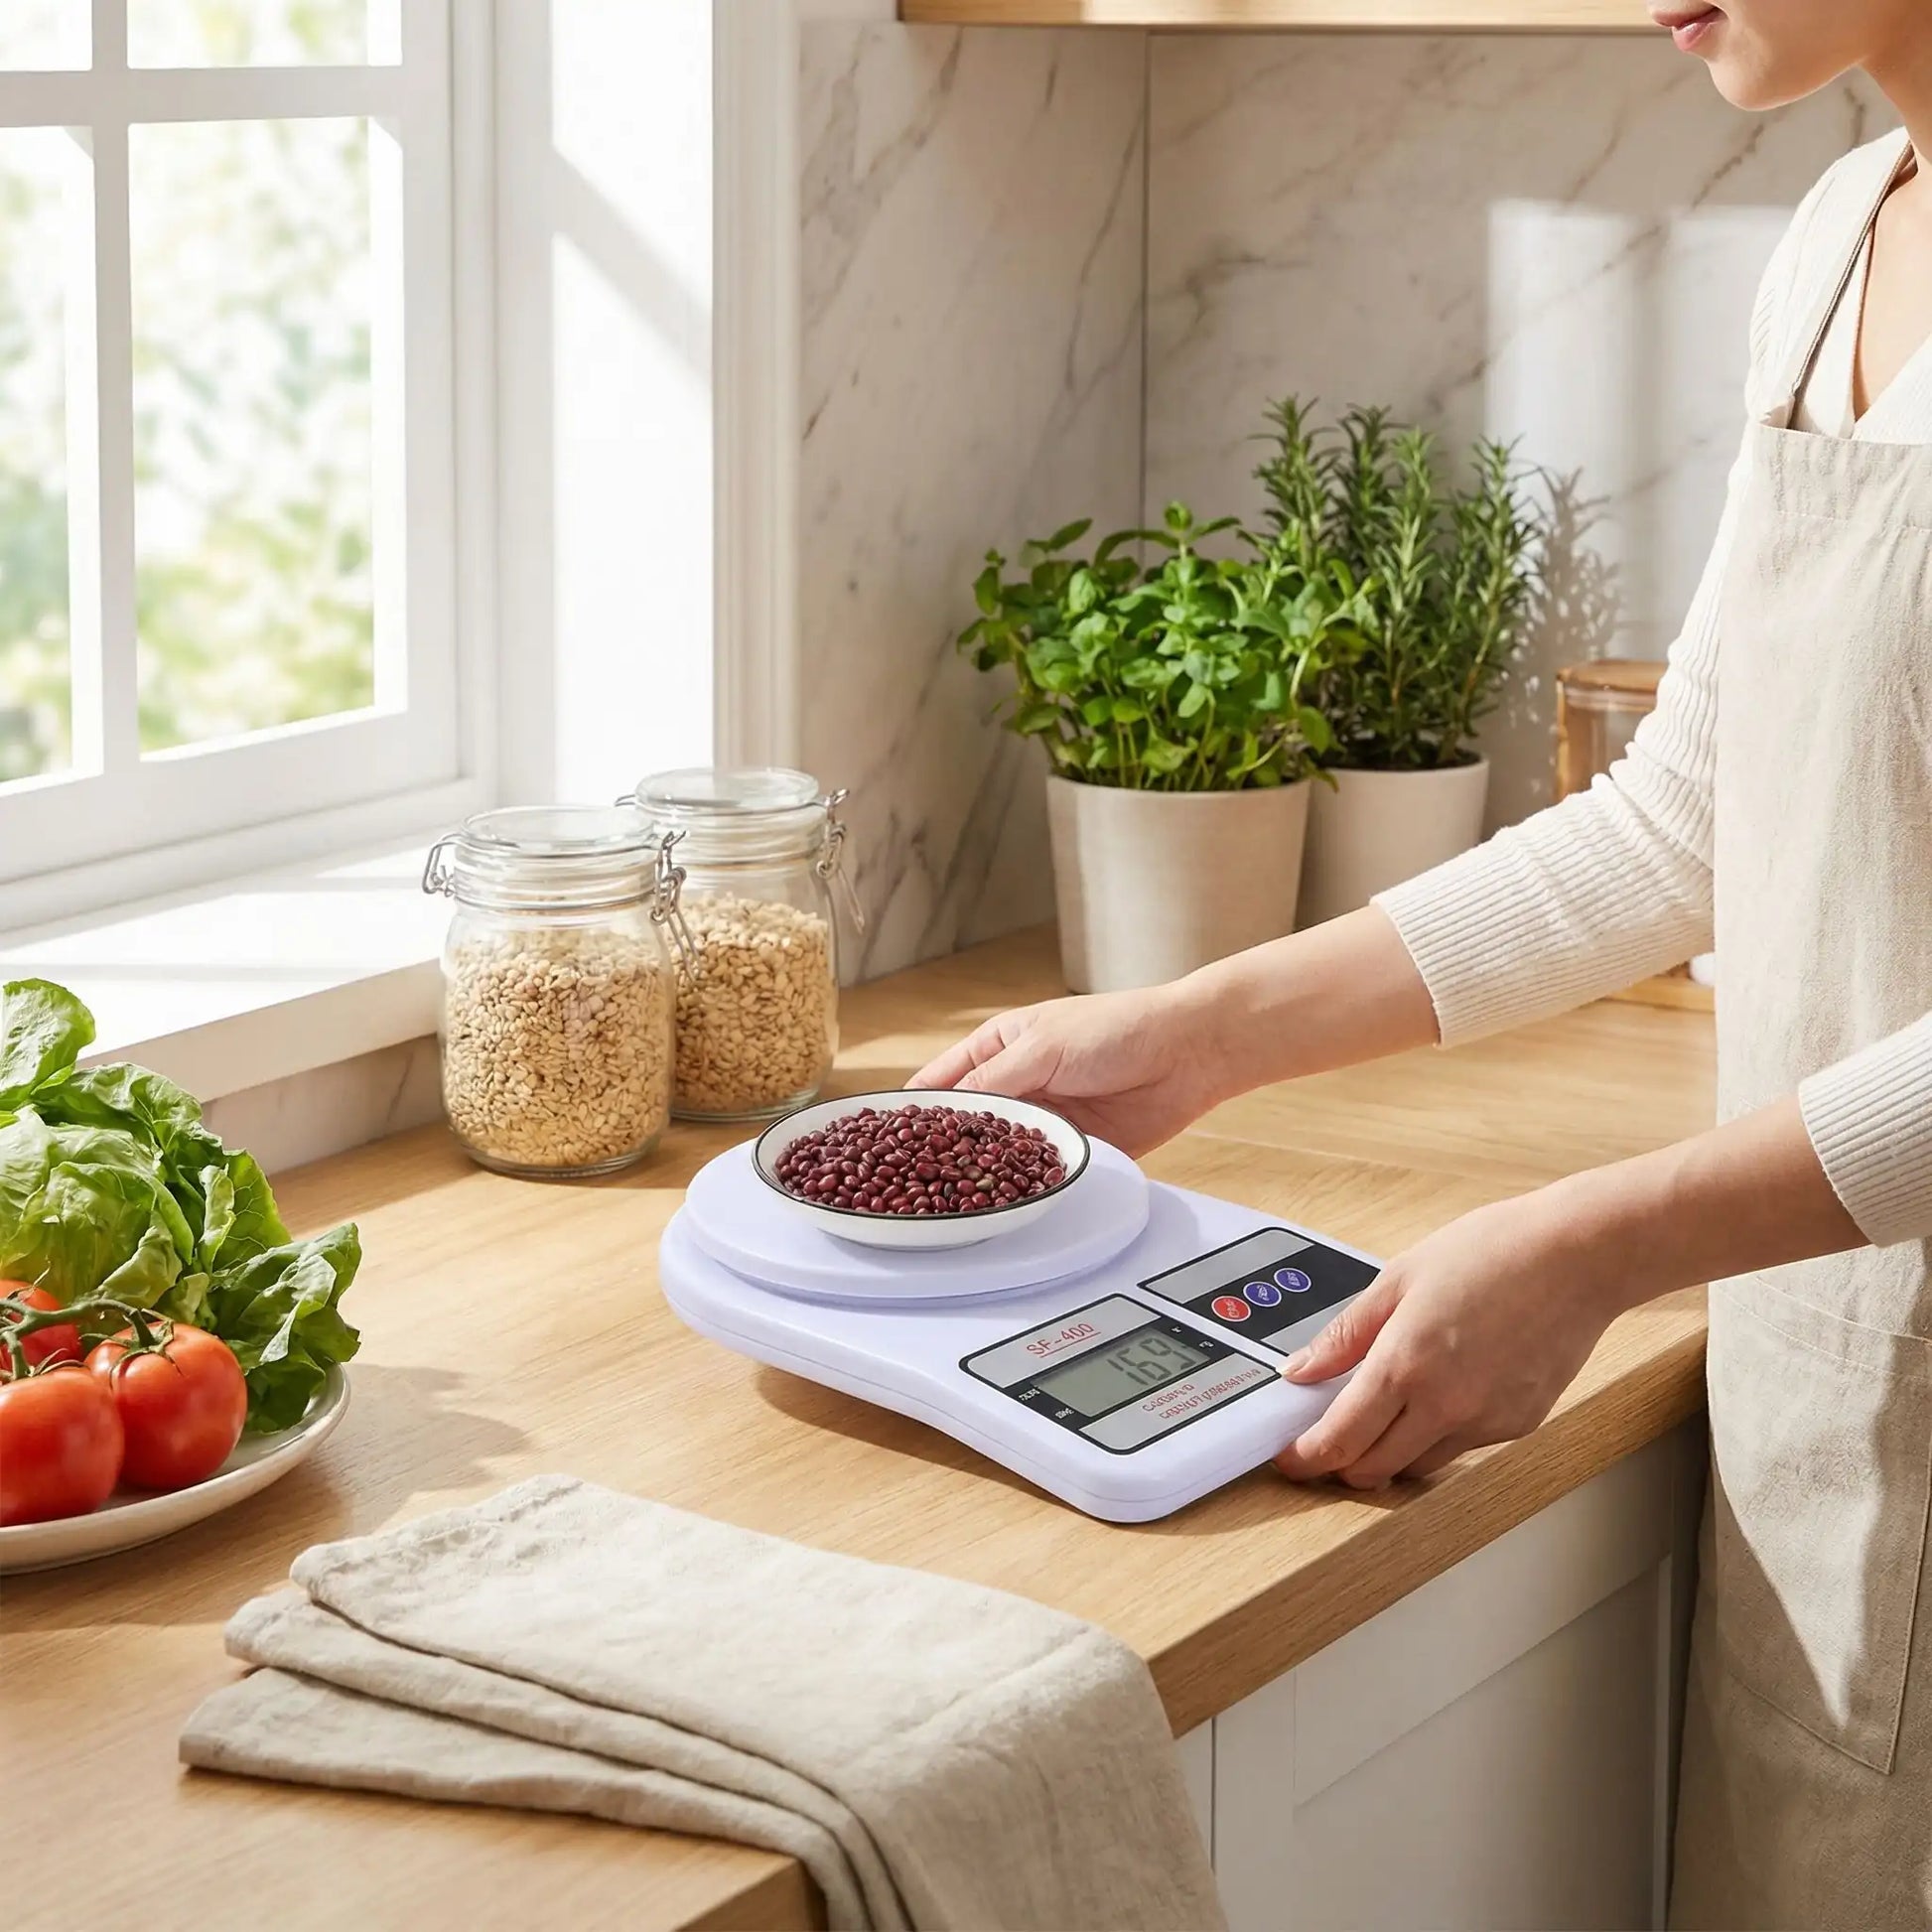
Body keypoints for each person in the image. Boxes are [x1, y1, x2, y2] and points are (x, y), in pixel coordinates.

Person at [910, 4, 1932, 1924]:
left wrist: (1585, 1240)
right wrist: (1195, 1031)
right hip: (1828, 1397)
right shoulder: (1836, 233)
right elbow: (1683, 814)